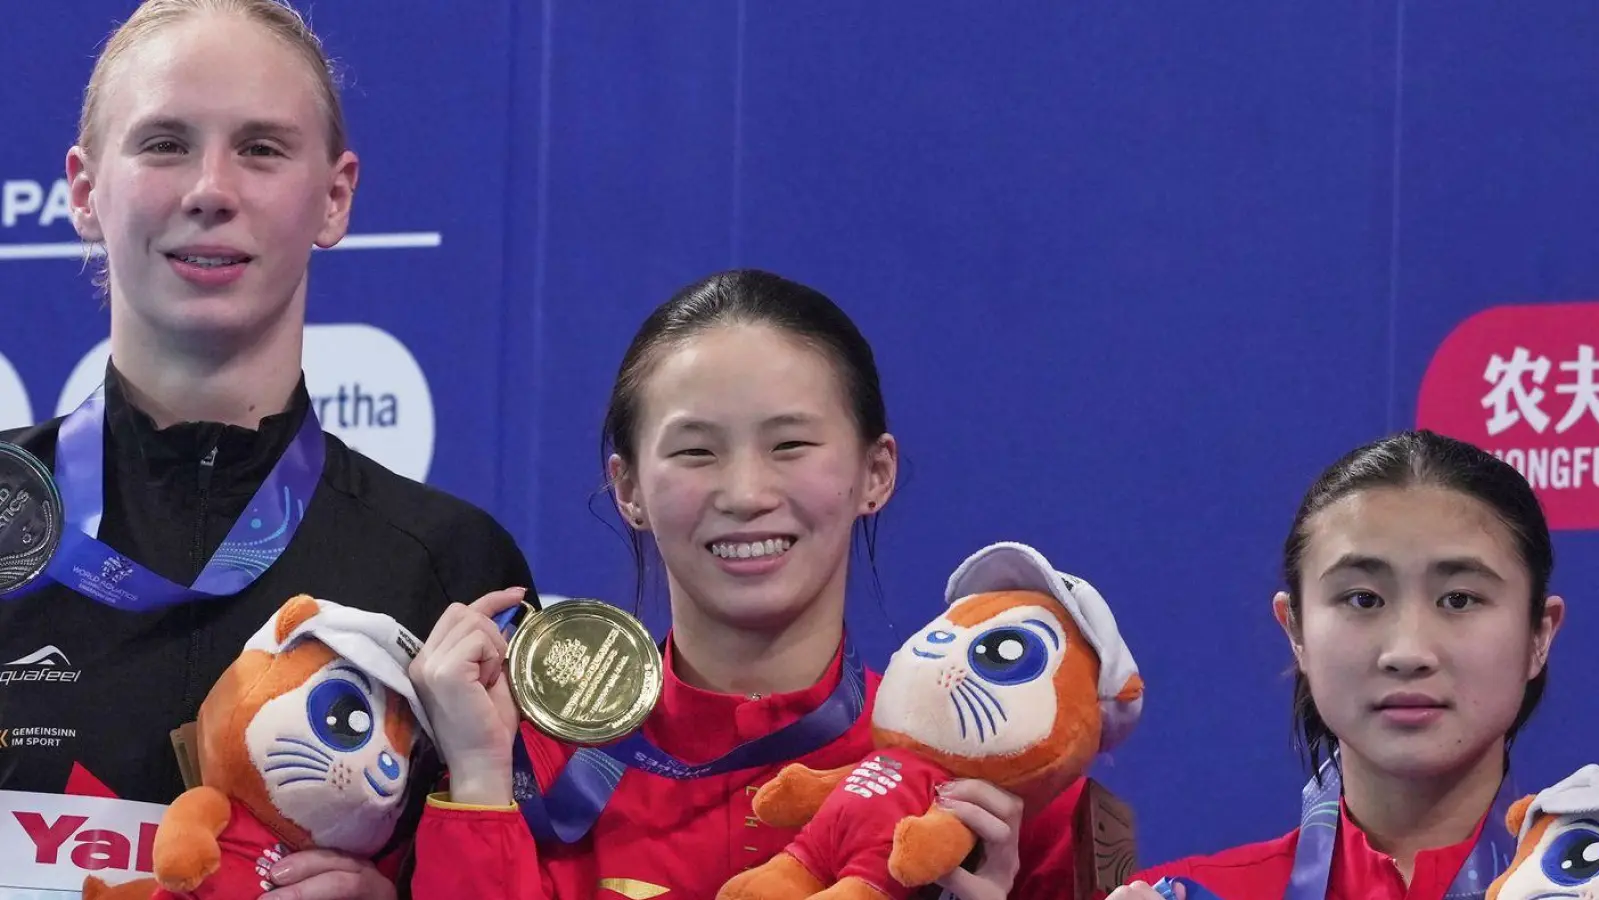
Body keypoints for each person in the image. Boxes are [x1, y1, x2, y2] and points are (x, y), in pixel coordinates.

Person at [0, 2, 531, 898]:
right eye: (164, 143)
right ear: (85, 193)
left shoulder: (446, 567)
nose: (210, 188)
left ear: (334, 196)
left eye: (261, 148)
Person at [406, 269, 1095, 899]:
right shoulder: (525, 769)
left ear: (874, 473)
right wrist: (475, 779)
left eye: (790, 444)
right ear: (629, 490)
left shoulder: (998, 787)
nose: (744, 493)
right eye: (695, 451)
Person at [1110, 430, 1565, 900]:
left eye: (1458, 599)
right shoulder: (1184, 893)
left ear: (1539, 634)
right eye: (1363, 599)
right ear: (1296, 631)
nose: (1407, 653)